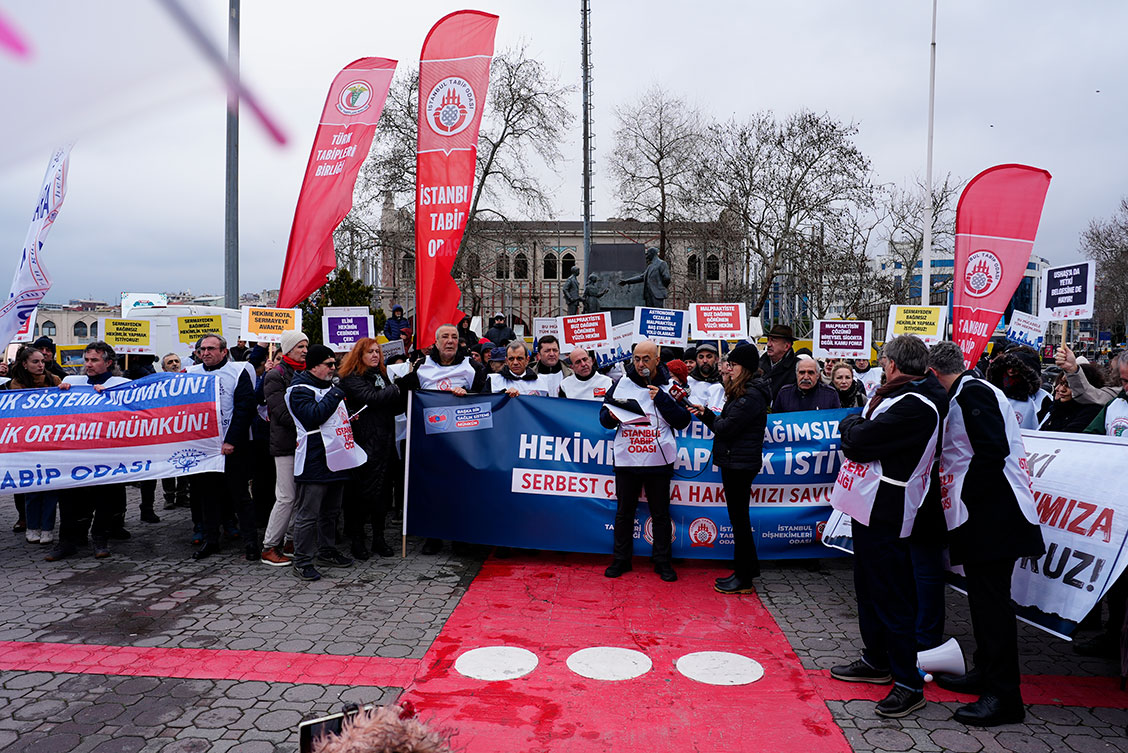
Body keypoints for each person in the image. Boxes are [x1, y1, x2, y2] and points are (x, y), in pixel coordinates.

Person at [927, 341, 1046, 726]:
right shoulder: (969, 391)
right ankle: (986, 672)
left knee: (993, 607)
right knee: (982, 601)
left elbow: (991, 450)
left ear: (933, 373)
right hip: (988, 515)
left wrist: (968, 499)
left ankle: (1004, 696)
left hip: (995, 516)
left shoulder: (973, 393)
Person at [828, 335, 947, 719]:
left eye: (883, 361)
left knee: (892, 595)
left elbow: (859, 439)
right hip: (868, 506)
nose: (881, 366)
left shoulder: (916, 405)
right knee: (868, 587)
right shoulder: (894, 396)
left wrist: (852, 426)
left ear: (893, 364)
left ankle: (908, 683)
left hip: (889, 509)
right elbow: (860, 434)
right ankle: (876, 659)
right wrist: (856, 427)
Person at [599, 340, 690, 583]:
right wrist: (610, 416)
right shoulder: (620, 384)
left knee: (660, 514)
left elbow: (683, 420)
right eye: (636, 359)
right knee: (624, 512)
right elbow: (603, 418)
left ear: (657, 360)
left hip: (658, 459)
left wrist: (662, 399)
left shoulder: (669, 386)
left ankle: (662, 561)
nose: (641, 364)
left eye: (646, 359)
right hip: (628, 458)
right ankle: (621, 559)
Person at [687, 342, 770, 594]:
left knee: (739, 520)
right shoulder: (744, 392)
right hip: (736, 461)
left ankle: (744, 577)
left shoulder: (750, 396)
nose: (728, 369)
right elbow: (725, 422)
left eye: (733, 365)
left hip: (740, 464)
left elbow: (725, 428)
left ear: (744, 367)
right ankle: (746, 570)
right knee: (738, 519)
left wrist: (707, 417)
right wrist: (706, 413)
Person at [398, 324, 487, 555]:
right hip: (430, 441)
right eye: (445, 337)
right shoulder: (422, 366)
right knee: (432, 489)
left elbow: (486, 399)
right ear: (436, 342)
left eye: (454, 337)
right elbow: (406, 398)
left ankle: (459, 536)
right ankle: (433, 536)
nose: (450, 341)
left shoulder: (472, 367)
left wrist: (469, 395)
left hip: (462, 442)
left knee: (461, 490)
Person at [285, 345, 366, 581]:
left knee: (331, 511)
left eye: (334, 364)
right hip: (314, 459)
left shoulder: (330, 387)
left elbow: (332, 415)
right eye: (329, 364)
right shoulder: (298, 390)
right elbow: (313, 417)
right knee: (308, 513)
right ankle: (302, 560)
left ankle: (327, 551)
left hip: (337, 457)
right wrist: (336, 394)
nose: (333, 368)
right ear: (313, 366)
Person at [46, 342, 130, 561]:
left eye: (94, 360)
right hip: (75, 452)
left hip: (106, 452)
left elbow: (132, 414)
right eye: (86, 360)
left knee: (104, 497)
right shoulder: (72, 382)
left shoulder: (121, 384)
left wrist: (112, 397)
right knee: (68, 498)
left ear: (108, 363)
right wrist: (60, 395)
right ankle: (67, 542)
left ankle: (100, 539)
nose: (88, 364)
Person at [186, 333, 259, 561]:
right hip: (205, 448)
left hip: (233, 446)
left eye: (211, 348)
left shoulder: (238, 372)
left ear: (224, 351)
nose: (205, 353)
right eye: (202, 349)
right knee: (208, 496)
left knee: (240, 495)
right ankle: (211, 540)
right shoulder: (190, 373)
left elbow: (245, 409)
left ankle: (251, 542)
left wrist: (231, 441)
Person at [339, 337, 401, 561]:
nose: (375, 355)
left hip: (385, 441)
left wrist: (402, 393)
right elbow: (371, 399)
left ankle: (379, 537)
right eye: (370, 352)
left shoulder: (381, 375)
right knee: (361, 494)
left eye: (377, 351)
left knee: (382, 494)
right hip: (363, 443)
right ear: (360, 355)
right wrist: (397, 388)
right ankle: (357, 539)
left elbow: (391, 405)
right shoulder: (351, 378)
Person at [2, 345, 66, 545]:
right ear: (24, 364)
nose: (40, 365)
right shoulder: (15, 385)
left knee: (51, 488)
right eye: (35, 362)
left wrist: (66, 390)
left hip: (52, 441)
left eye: (42, 362)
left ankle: (47, 528)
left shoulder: (55, 380)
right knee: (32, 489)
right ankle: (32, 526)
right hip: (28, 444)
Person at [259, 329, 308, 566]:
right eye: (300, 346)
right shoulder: (275, 375)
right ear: (288, 349)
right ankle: (270, 546)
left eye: (306, 346)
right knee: (286, 496)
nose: (305, 351)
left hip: (303, 442)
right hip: (286, 443)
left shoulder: (305, 372)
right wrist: (309, 420)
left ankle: (290, 540)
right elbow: (280, 411)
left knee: (298, 496)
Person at [985, 345, 1051, 429]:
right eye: (1008, 366)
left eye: (1016, 368)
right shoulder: (990, 393)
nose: (1010, 371)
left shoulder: (1042, 400)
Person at [1038, 366, 1105, 432]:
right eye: (1060, 383)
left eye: (1068, 385)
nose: (1060, 389)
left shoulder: (1092, 412)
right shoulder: (1058, 408)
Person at [773, 356, 840, 412]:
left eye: (810, 373)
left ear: (818, 375)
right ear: (796, 374)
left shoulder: (830, 394)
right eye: (802, 372)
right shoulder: (784, 393)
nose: (806, 377)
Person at [758, 325, 799, 399]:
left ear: (786, 346)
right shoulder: (758, 364)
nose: (768, 344)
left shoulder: (799, 368)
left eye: (773, 340)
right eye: (768, 340)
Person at [686, 342, 726, 412]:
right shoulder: (688, 381)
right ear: (696, 360)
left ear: (716, 359)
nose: (705, 361)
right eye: (701, 357)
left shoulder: (723, 382)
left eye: (709, 357)